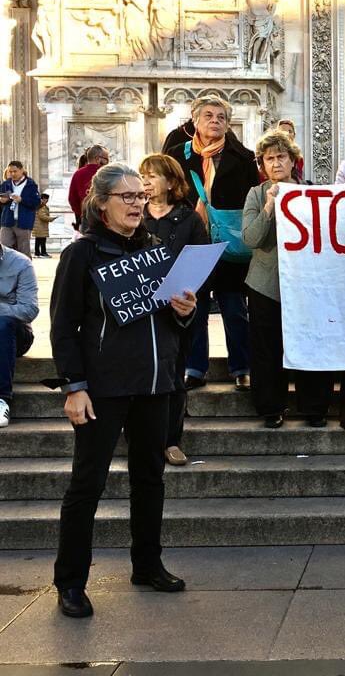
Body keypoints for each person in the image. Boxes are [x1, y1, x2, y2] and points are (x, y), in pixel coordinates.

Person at [50, 163, 198, 619]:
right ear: (101, 204)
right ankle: (71, 581)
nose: (138, 203)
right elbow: (62, 329)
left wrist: (184, 309)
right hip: (104, 388)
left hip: (156, 383)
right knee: (87, 484)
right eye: (128, 197)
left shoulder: (157, 248)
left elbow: (173, 321)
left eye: (141, 195)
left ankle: (147, 564)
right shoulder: (82, 255)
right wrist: (75, 387)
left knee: (150, 478)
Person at [242, 131, 341, 429]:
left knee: (311, 344)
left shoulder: (313, 193)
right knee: (267, 348)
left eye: (280, 157)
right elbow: (251, 238)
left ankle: (314, 408)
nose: (274, 163)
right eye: (268, 158)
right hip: (266, 285)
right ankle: (271, 407)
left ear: (293, 161)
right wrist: (271, 206)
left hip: (307, 284)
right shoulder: (256, 194)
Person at [168, 95, 257, 392]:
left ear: (228, 123)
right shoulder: (176, 155)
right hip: (191, 239)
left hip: (228, 243)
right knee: (196, 306)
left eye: (221, 116)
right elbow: (168, 194)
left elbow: (250, 200)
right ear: (195, 120)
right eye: (208, 115)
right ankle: (195, 368)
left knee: (234, 307)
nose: (214, 121)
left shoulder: (243, 157)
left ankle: (241, 367)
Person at [141, 154, 209, 465]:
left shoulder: (188, 220)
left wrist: (187, 294)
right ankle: (137, 437)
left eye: (153, 176)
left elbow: (202, 263)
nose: (147, 181)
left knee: (173, 375)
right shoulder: (134, 215)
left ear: (170, 182)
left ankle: (171, 439)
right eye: (143, 175)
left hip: (177, 309)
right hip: (140, 310)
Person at [0, 239, 37, 428]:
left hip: (16, 334)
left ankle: (1, 399)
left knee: (2, 323)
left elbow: (29, 309)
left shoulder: (20, 263)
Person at [0, 161, 41, 258]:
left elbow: (36, 203)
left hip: (23, 222)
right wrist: (2, 200)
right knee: (4, 248)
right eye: (11, 172)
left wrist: (22, 200)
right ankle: (6, 272)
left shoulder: (31, 184)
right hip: (7, 221)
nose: (13, 174)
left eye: (15, 171)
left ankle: (25, 271)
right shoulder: (6, 184)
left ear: (22, 170)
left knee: (23, 251)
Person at [68, 146, 110, 228]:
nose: (108, 162)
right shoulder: (107, 174)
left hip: (86, 219)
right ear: (98, 159)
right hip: (106, 219)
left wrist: (81, 213)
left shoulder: (77, 174)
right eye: (106, 159)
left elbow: (72, 199)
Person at [32, 193, 57, 257]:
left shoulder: (41, 206)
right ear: (42, 199)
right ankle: (42, 253)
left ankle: (38, 253)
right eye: (45, 199)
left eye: (47, 199)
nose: (47, 201)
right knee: (42, 240)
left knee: (39, 240)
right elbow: (42, 216)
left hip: (40, 226)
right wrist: (51, 219)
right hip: (40, 226)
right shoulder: (41, 206)